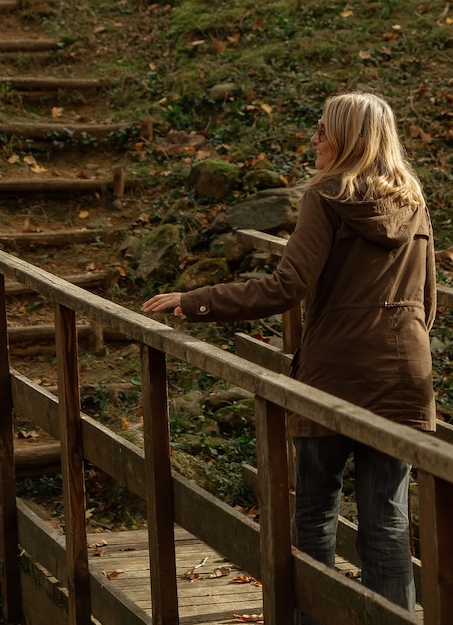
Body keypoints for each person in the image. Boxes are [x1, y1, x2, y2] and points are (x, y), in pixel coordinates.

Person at [143, 91, 436, 616]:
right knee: (388, 520)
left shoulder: (326, 196)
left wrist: (197, 302)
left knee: (317, 511)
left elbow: (286, 287)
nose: (314, 138)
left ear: (346, 137)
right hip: (404, 375)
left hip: (333, 375)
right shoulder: (412, 200)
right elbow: (427, 301)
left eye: (323, 129)